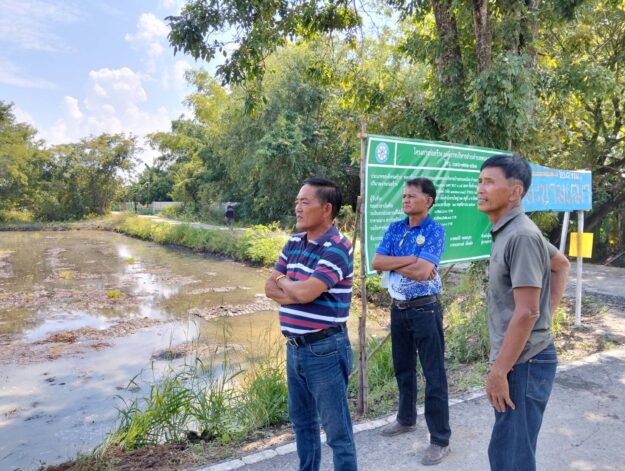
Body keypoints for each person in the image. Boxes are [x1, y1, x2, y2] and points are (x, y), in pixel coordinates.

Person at [476, 154, 570, 471]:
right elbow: (560, 264)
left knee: (511, 457)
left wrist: (499, 371)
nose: (480, 188)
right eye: (480, 181)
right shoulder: (511, 231)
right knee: (508, 449)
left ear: (515, 192)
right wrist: (544, 315)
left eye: (489, 182)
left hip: (524, 362)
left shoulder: (522, 235)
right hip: (523, 357)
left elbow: (527, 312)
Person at [265, 177, 357, 471]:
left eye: (305, 202)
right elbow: (269, 288)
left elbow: (304, 292)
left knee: (337, 432)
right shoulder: (294, 241)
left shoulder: (338, 247)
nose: (298, 208)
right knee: (302, 424)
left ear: (326, 208)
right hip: (295, 348)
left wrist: (287, 283)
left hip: (325, 349)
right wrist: (295, 289)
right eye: (297, 202)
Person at [371, 177, 451, 466]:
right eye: (404, 196)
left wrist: (398, 262)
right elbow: (377, 262)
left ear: (428, 201)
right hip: (398, 308)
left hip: (425, 309)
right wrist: (411, 260)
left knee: (434, 374)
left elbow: (423, 272)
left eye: (411, 196)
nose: (405, 200)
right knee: (403, 368)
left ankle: (440, 439)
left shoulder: (435, 230)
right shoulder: (395, 227)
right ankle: (406, 419)